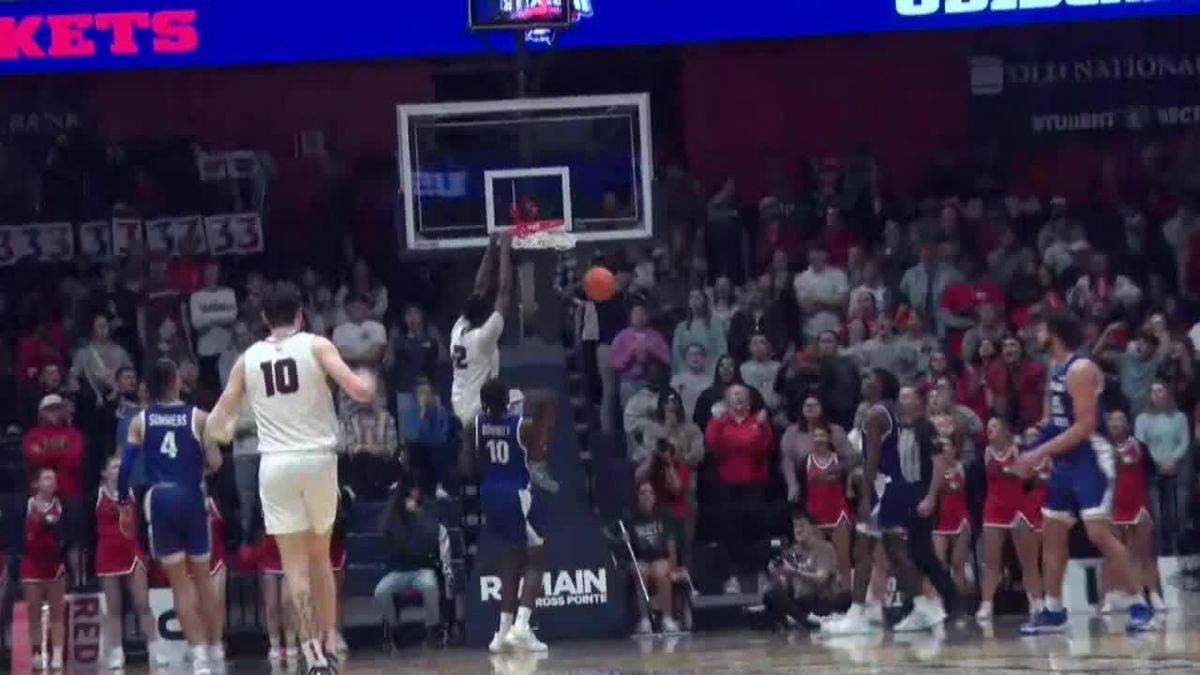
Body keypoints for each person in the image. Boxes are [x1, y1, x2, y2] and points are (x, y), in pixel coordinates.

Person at [205, 286, 377, 675]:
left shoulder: (247, 359)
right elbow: (360, 390)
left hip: (275, 466)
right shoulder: (317, 345)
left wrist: (228, 427)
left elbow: (216, 425)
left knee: (294, 568)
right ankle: (331, 642)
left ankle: (312, 654)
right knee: (322, 560)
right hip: (317, 460)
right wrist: (368, 377)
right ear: (301, 314)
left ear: (264, 318)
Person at [1015, 309, 1155, 634]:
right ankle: (1053, 610)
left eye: (1039, 328)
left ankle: (1139, 603)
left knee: (1099, 534)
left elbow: (1085, 427)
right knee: (1052, 533)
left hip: (1092, 457)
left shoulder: (1081, 369)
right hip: (1065, 460)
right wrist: (1031, 447)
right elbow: (1057, 423)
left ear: (1054, 331)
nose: (1034, 334)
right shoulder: (1055, 367)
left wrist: (1038, 452)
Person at [118, 359, 225, 674]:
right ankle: (216, 649)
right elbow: (216, 462)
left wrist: (124, 502)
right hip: (190, 495)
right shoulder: (200, 417)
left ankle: (200, 657)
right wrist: (196, 470)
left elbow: (125, 469)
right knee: (204, 579)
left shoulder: (141, 420)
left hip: (160, 498)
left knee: (180, 584)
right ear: (177, 380)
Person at [822, 370, 945, 634]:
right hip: (897, 486)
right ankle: (925, 608)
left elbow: (873, 460)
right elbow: (870, 454)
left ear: (882, 385)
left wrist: (866, 496)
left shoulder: (875, 414)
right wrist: (844, 466)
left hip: (883, 489)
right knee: (896, 553)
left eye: (871, 378)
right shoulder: (894, 411)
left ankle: (857, 615)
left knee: (863, 551)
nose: (865, 381)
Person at [460, 379, 555, 653]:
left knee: (507, 563)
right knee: (537, 560)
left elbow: (468, 466)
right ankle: (522, 626)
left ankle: (502, 632)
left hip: (489, 494)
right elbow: (537, 457)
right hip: (517, 494)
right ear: (507, 400)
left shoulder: (474, 425)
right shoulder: (522, 427)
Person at [704, 384, 775, 595]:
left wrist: (760, 429)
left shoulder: (758, 421)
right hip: (728, 486)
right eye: (734, 395)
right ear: (727, 400)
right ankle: (732, 578)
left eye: (743, 395)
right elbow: (712, 445)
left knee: (758, 533)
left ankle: (762, 575)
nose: (739, 399)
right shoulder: (720, 421)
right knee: (730, 533)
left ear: (750, 401)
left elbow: (764, 448)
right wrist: (717, 422)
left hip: (754, 485)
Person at [95, 455, 164, 670]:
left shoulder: (135, 491)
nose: (118, 469)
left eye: (120, 466)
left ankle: (155, 649)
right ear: (105, 473)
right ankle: (116, 652)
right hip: (107, 555)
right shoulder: (97, 494)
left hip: (132, 553)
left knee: (142, 604)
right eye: (113, 467)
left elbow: (144, 523)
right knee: (114, 608)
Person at [976, 417, 1045, 621]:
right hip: (994, 511)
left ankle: (1037, 602)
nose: (990, 429)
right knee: (991, 563)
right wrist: (1012, 472)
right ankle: (986, 604)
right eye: (988, 427)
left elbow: (1030, 476)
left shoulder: (1018, 450)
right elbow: (998, 473)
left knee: (1028, 562)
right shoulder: (987, 452)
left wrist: (1015, 471)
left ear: (1006, 431)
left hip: (1018, 509)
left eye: (995, 426)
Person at [450, 234, 514, 426]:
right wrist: (504, 249)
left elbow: (479, 288)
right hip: (478, 408)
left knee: (469, 450)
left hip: (461, 402)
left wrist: (491, 246)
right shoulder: (482, 338)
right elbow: (504, 292)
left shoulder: (459, 328)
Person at [1108, 409, 1167, 613]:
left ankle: (1153, 593)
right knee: (1117, 553)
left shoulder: (1139, 446)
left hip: (1139, 504)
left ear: (1127, 424)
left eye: (1120, 420)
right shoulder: (1103, 447)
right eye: (1112, 420)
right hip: (1114, 506)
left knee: (1146, 552)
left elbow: (1153, 472)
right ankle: (1116, 594)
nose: (1115, 423)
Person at [374, 481, 443, 648]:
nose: (411, 497)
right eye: (407, 494)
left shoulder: (425, 512)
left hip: (422, 569)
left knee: (430, 586)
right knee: (381, 591)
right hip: (398, 571)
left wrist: (417, 516)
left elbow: (429, 541)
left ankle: (432, 628)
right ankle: (395, 628)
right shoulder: (392, 518)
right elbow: (389, 537)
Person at [763, 511, 847, 629]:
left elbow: (821, 578)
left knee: (845, 597)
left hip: (820, 601)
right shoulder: (791, 551)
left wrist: (794, 572)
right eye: (795, 526)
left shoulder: (824, 548)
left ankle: (805, 622)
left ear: (812, 528)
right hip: (800, 603)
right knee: (771, 594)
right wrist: (776, 574)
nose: (798, 530)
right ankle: (803, 621)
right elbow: (785, 584)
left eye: (802, 526)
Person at [22, 467, 67, 671]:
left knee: (57, 615)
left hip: (54, 566)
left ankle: (57, 655)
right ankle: (37, 653)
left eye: (54, 478)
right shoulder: (27, 505)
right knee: (33, 613)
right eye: (47, 477)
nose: (52, 481)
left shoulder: (61, 506)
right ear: (36, 483)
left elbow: (67, 536)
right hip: (32, 565)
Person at [626, 481, 685, 635]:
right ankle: (644, 621)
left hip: (661, 559)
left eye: (650, 492)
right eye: (643, 493)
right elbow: (627, 549)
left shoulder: (664, 515)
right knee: (641, 571)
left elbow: (671, 545)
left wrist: (673, 567)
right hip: (642, 560)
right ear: (638, 497)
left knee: (660, 571)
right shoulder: (631, 517)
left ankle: (667, 619)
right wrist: (623, 538)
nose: (647, 496)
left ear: (654, 496)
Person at [800, 422, 854, 587]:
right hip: (815, 515)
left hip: (838, 513)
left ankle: (847, 598)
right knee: (820, 560)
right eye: (815, 436)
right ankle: (823, 599)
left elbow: (854, 466)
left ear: (829, 438)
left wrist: (850, 482)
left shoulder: (839, 460)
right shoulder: (805, 461)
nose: (819, 439)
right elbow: (802, 488)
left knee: (843, 560)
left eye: (822, 435)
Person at [922, 429, 972, 596]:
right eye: (940, 446)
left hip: (960, 519)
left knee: (958, 564)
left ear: (954, 448)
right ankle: (939, 603)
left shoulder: (962, 468)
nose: (943, 449)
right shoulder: (931, 469)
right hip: (940, 520)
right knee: (939, 562)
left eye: (946, 445)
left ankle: (960, 604)